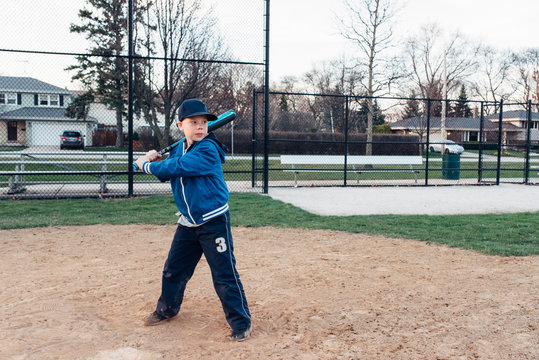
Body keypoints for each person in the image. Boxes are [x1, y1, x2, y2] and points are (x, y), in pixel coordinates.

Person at [135, 98, 251, 341]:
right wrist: (157, 160)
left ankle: (241, 323)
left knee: (224, 274)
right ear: (180, 126)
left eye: (204, 122)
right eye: (193, 122)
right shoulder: (180, 149)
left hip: (213, 222)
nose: (200, 127)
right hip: (188, 222)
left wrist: (146, 165)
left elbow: (178, 167)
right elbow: (169, 170)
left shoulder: (208, 149)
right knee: (173, 270)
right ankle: (167, 310)